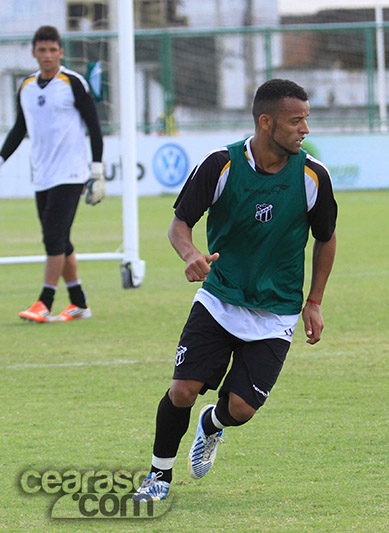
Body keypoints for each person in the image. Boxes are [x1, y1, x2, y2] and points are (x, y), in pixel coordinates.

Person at [132, 79, 337, 502]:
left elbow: (327, 238)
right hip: (220, 298)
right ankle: (158, 476)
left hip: (277, 310)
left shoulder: (314, 175)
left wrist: (314, 301)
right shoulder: (220, 164)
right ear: (266, 122)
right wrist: (190, 254)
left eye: (307, 120)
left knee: (241, 409)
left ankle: (212, 425)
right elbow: (179, 224)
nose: (305, 129)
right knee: (182, 390)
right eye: (296, 120)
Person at [0, 25, 105, 323]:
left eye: (53, 50)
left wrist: (96, 170)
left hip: (70, 174)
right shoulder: (27, 87)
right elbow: (20, 128)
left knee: (53, 237)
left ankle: (44, 302)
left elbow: (94, 127)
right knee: (62, 239)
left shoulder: (73, 82)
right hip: (42, 175)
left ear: (60, 51)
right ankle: (79, 302)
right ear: (34, 52)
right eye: (42, 50)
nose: (47, 55)